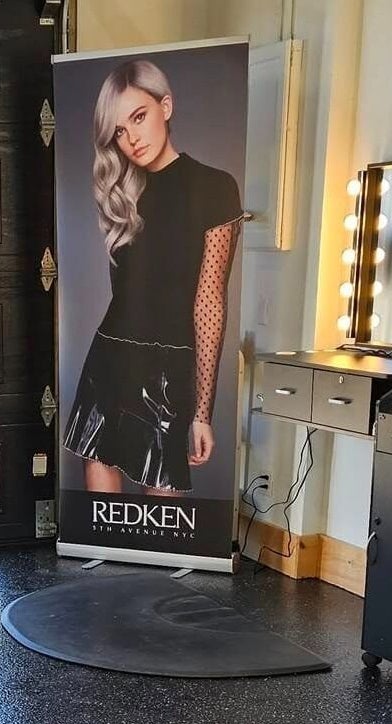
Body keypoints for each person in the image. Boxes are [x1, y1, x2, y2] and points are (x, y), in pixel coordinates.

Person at [62, 58, 243, 498]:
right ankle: (106, 558)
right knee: (98, 458)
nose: (131, 139)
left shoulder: (215, 187)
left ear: (166, 106)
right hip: (112, 354)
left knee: (163, 480)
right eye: (119, 131)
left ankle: (154, 566)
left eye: (138, 118)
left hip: (171, 362)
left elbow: (209, 302)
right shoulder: (121, 190)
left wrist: (202, 412)